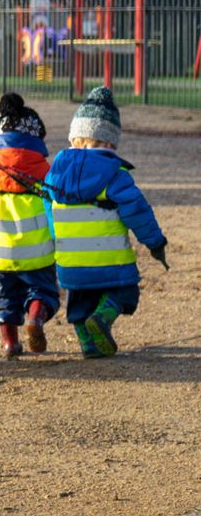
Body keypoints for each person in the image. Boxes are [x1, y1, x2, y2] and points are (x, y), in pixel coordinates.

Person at [44, 87, 168, 358]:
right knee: (125, 292)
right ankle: (103, 317)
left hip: (71, 262)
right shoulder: (115, 175)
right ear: (111, 142)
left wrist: (57, 237)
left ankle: (89, 345)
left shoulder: (55, 174)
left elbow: (48, 210)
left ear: (75, 139)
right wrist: (155, 242)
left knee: (78, 304)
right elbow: (138, 211)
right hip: (112, 262)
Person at [0, 93, 59, 358]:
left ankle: (10, 343)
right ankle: (35, 318)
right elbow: (58, 208)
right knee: (42, 290)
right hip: (38, 250)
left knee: (4, 298)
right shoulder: (46, 173)